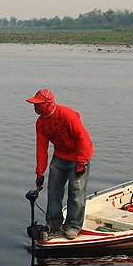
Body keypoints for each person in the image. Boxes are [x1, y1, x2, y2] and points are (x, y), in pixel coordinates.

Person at [26, 89, 93, 239]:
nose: (35, 107)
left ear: (48, 104)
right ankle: (54, 224)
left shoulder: (66, 114)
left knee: (76, 192)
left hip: (78, 156)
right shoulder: (41, 122)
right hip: (60, 157)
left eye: (38, 104)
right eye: (34, 104)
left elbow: (82, 137)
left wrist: (82, 163)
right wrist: (40, 172)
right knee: (53, 190)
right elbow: (41, 147)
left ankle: (73, 226)